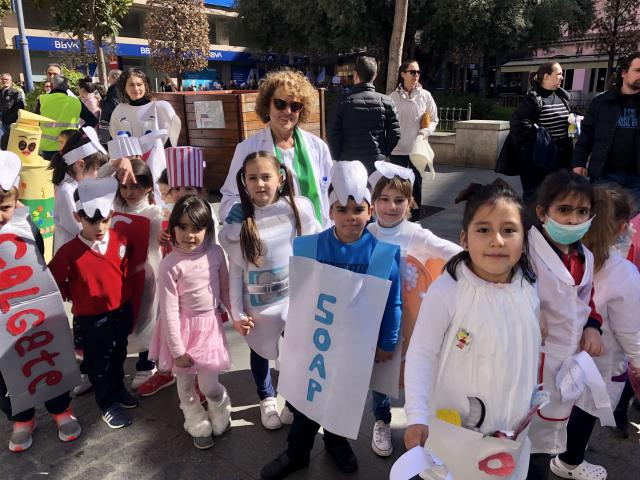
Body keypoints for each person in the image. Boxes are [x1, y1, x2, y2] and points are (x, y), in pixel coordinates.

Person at [260, 161, 402, 479]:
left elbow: (392, 302)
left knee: (341, 399)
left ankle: (338, 445)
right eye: (342, 209)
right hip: (316, 343)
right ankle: (297, 453)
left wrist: (387, 341)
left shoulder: (380, 254)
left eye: (357, 209)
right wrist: (289, 332)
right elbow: (296, 296)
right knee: (307, 403)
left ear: (370, 211)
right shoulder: (310, 246)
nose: (350, 216)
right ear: (331, 210)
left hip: (353, 348)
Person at [404, 180, 541, 479]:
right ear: (464, 238)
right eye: (484, 230)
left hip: (510, 422)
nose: (497, 240)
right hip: (457, 426)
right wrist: (416, 415)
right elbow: (421, 353)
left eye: (508, 230)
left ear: (523, 238)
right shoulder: (449, 290)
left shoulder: (529, 285)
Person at [219, 151, 320, 431]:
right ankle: (266, 398)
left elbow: (311, 252)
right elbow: (236, 271)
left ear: (281, 178)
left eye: (266, 176)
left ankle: (292, 399)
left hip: (292, 298)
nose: (260, 183)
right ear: (244, 181)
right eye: (253, 177)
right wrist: (237, 313)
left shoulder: (297, 210)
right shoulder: (240, 222)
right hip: (258, 305)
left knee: (295, 350)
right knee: (260, 351)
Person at [367, 161, 461, 457]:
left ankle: (421, 422)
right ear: (374, 202)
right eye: (384, 199)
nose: (391, 206)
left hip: (413, 321)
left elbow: (455, 254)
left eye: (399, 200)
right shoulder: (367, 232)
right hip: (376, 319)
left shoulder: (416, 234)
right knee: (381, 376)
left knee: (416, 373)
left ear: (410, 203)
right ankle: (382, 421)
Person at [550, 186, 640, 480]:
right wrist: (638, 361)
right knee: (586, 409)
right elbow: (630, 330)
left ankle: (553, 447)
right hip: (599, 363)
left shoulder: (564, 257)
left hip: (556, 356)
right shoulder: (623, 273)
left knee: (560, 405)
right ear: (623, 227)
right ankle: (569, 462)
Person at [0, 151, 81, 452]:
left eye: (5, 208)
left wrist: (20, 218)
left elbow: (37, 260)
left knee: (45, 354)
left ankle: (61, 408)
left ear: (16, 202)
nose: (0, 216)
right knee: (6, 371)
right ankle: (22, 418)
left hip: (30, 310)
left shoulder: (22, 224)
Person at [526, 170, 604, 480]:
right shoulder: (525, 250)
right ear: (542, 212)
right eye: (564, 210)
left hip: (565, 363)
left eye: (582, 211)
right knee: (516, 440)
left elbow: (587, 299)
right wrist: (531, 308)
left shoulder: (584, 256)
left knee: (546, 443)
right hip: (529, 360)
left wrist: (593, 326)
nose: (573, 220)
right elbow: (505, 286)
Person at [48, 177, 139, 430]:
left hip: (121, 310)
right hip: (91, 318)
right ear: (79, 217)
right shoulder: (68, 252)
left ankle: (118, 389)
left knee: (119, 353)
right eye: (91, 220)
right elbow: (54, 278)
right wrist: (73, 294)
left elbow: (126, 267)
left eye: (104, 220)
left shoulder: (119, 240)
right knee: (99, 362)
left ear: (111, 215)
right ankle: (107, 402)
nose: (99, 227)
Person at [149, 195, 232, 450]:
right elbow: (169, 310)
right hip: (181, 332)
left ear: (208, 229)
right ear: (173, 227)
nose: (190, 234)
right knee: (185, 384)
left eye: (197, 228)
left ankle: (220, 406)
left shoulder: (216, 253)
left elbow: (227, 291)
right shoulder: (169, 264)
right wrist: (177, 350)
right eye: (183, 227)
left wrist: (237, 317)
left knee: (209, 384)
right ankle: (195, 419)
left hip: (209, 328)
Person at [220, 68, 333, 227]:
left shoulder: (318, 147)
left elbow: (331, 194)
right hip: (269, 240)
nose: (287, 111)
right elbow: (229, 197)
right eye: (280, 104)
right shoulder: (247, 149)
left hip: (314, 238)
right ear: (267, 105)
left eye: (295, 106)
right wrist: (236, 209)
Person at [99, 139, 165, 391]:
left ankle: (146, 364)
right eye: (125, 186)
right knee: (126, 318)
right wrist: (117, 163)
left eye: (136, 186)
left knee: (147, 318)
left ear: (148, 187)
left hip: (149, 273)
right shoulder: (114, 208)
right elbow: (96, 181)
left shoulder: (156, 213)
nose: (129, 192)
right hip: (120, 273)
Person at [573, 52, 640, 206]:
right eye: (638, 70)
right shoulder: (601, 102)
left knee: (630, 226)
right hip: (606, 175)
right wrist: (579, 162)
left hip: (637, 179)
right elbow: (586, 135)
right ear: (624, 73)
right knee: (603, 221)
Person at [511, 62, 573, 203]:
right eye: (558, 74)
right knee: (536, 198)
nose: (562, 77)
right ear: (546, 76)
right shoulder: (533, 99)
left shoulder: (563, 97)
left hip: (561, 159)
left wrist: (574, 120)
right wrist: (541, 138)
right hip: (539, 161)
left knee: (558, 199)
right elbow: (518, 125)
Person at [328, 56, 400, 174]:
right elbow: (395, 134)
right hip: (377, 163)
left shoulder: (342, 102)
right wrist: (383, 153)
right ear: (375, 75)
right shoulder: (387, 101)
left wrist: (339, 156)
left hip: (349, 163)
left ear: (356, 75)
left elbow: (332, 133)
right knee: (374, 192)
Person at [389, 59, 439, 221]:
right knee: (399, 187)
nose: (416, 75)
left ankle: (416, 220)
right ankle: (398, 218)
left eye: (418, 72)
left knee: (416, 185)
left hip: (417, 150)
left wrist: (425, 132)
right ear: (403, 74)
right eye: (412, 72)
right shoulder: (392, 98)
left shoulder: (425, 96)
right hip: (397, 150)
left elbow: (434, 119)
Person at [50, 128, 106, 254]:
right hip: (70, 256)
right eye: (96, 169)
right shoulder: (66, 191)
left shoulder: (81, 186)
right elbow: (78, 229)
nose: (98, 175)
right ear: (80, 164)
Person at [36, 75, 97, 160]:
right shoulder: (76, 102)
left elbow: (35, 122)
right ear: (67, 88)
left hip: (46, 149)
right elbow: (92, 120)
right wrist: (78, 134)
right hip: (69, 147)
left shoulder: (42, 100)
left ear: (52, 86)